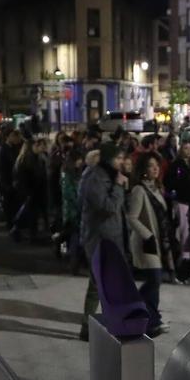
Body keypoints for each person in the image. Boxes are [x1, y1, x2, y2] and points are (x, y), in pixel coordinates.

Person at [78, 144, 130, 337]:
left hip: (110, 237)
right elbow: (108, 207)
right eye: (118, 158)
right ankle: (87, 327)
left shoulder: (106, 175)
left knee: (104, 283)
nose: (121, 162)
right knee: (98, 283)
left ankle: (98, 323)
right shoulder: (95, 177)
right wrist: (118, 186)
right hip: (99, 239)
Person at [123, 153, 171, 333]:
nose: (156, 168)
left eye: (157, 165)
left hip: (157, 242)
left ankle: (151, 320)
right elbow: (132, 218)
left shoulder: (157, 189)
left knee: (155, 281)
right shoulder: (139, 190)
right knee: (154, 279)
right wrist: (148, 235)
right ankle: (140, 313)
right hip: (146, 243)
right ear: (144, 169)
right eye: (151, 165)